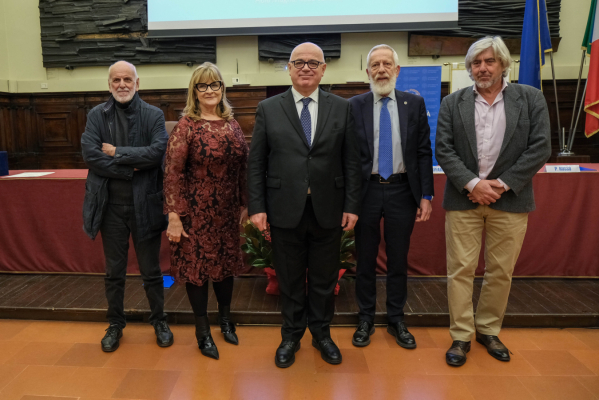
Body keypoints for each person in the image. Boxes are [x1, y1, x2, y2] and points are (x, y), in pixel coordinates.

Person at [436, 36, 551, 366]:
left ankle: (488, 329)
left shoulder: (530, 98)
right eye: (476, 63)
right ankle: (461, 335)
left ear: (503, 64)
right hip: (464, 198)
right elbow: (443, 149)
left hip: (510, 199)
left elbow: (540, 147)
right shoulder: (452, 102)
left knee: (501, 270)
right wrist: (473, 184)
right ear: (469, 68)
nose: (483, 68)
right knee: (460, 270)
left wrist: (500, 185)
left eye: (489, 61)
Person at [247, 42, 361, 368]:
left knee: (325, 280)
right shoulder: (269, 108)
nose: (306, 67)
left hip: (329, 209)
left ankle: (322, 335)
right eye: (299, 62)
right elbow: (256, 163)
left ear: (323, 69)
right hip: (284, 209)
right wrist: (257, 207)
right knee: (290, 279)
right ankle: (291, 336)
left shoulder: (342, 108)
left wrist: (352, 205)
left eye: (313, 62)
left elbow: (352, 162)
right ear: (289, 68)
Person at [81, 60, 173, 352]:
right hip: (109, 205)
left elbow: (156, 153)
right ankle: (115, 323)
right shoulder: (96, 115)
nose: (122, 85)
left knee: (152, 270)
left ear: (137, 83)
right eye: (116, 80)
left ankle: (159, 320)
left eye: (127, 79)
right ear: (109, 84)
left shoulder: (154, 115)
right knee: (114, 271)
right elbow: (91, 155)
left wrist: (117, 152)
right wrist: (130, 168)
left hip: (145, 204)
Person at [348, 44, 434, 349]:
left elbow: (423, 152)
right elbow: (347, 156)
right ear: (367, 72)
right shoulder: (354, 105)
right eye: (375, 65)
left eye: (387, 64)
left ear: (397, 70)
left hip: (402, 190)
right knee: (365, 258)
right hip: (366, 191)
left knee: (398, 259)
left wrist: (426, 194)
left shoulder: (414, 103)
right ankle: (366, 318)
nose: (381, 69)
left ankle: (396, 318)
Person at [164, 62, 248, 360]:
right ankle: (202, 331)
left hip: (226, 213)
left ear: (222, 88)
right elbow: (172, 173)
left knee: (224, 269)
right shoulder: (186, 126)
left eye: (215, 84)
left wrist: (245, 204)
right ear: (195, 91)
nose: (210, 90)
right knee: (197, 272)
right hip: (194, 214)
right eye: (203, 85)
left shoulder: (232, 124)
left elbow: (242, 168)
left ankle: (225, 320)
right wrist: (174, 216)